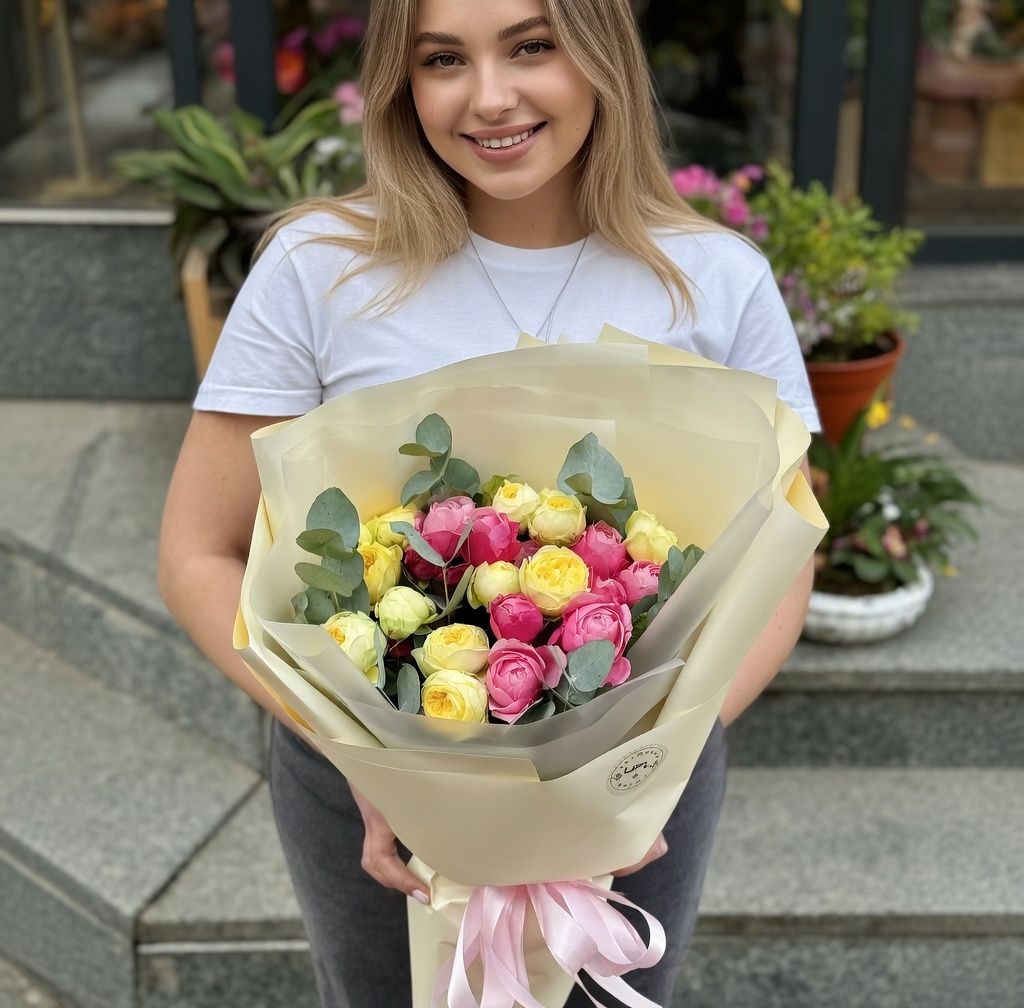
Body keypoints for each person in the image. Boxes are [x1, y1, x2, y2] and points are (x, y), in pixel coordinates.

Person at [158, 0, 820, 1004]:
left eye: (531, 46)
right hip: (368, 793)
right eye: (442, 60)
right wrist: (370, 762)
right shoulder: (318, 269)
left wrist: (636, 765)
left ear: (600, 54)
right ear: (402, 83)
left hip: (640, 793)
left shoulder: (716, 281)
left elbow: (781, 566)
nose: (490, 97)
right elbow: (197, 554)